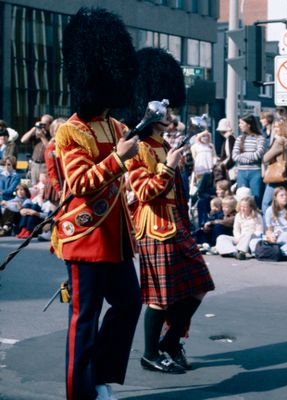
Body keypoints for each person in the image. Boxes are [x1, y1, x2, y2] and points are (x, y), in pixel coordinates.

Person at [51, 8, 142, 400]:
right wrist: (119, 159)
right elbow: (81, 183)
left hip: (116, 239)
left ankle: (100, 374)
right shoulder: (71, 131)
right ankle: (81, 393)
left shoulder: (116, 124)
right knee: (83, 320)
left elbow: (137, 162)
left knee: (130, 304)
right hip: (85, 237)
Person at [125, 47, 215, 374]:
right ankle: (151, 353)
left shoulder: (163, 145)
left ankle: (169, 342)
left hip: (177, 226)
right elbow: (145, 192)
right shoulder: (136, 148)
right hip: (154, 228)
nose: (167, 110)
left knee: (199, 286)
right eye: (160, 107)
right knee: (160, 297)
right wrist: (168, 168)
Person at [232, 113, 266, 208]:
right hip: (241, 172)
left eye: (242, 123)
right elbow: (234, 156)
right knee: (241, 198)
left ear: (249, 125)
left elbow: (258, 155)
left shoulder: (260, 138)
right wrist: (249, 157)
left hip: (255, 172)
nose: (239, 125)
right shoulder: (239, 139)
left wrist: (243, 156)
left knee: (256, 198)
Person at [216, 195, 263, 260]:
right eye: (241, 206)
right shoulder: (238, 215)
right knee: (221, 237)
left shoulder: (257, 216)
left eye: (245, 207)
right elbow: (236, 229)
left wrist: (249, 235)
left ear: (251, 207)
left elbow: (260, 231)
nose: (242, 209)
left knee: (249, 234)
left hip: (251, 239)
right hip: (240, 238)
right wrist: (238, 238)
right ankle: (234, 252)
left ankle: (241, 251)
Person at [263, 187, 287, 260]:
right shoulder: (269, 211)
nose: (285, 197)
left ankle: (276, 253)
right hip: (276, 237)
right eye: (281, 195)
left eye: (286, 195)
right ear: (275, 198)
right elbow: (269, 230)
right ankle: (285, 254)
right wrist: (270, 236)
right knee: (256, 242)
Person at [261, 119, 287, 215]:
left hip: (276, 175)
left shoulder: (279, 141)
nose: (275, 129)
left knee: (266, 203)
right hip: (286, 175)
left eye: (277, 127)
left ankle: (267, 226)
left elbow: (266, 158)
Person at [21, 113, 53, 185]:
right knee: (33, 186)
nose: (43, 126)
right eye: (41, 123)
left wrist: (42, 137)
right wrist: (34, 128)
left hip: (45, 165)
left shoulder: (52, 135)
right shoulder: (37, 133)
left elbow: (49, 148)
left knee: (43, 186)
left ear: (50, 124)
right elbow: (23, 140)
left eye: (44, 124)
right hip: (34, 164)